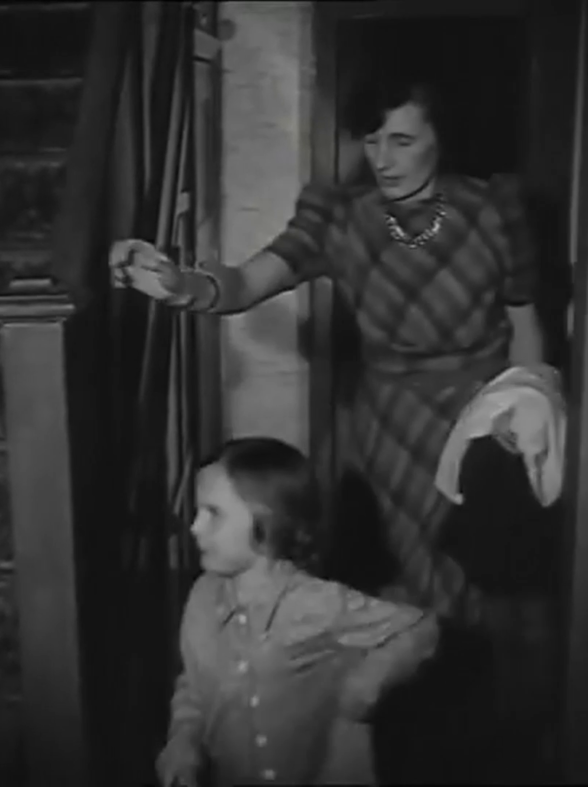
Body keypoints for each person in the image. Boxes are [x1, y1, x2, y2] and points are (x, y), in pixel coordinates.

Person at [109, 65, 547, 619]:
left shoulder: (495, 211)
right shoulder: (340, 218)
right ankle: (431, 677)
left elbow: (526, 323)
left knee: (487, 569)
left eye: (403, 140)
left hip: (484, 416)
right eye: (372, 139)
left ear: (441, 139)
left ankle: (486, 681)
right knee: (416, 567)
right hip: (391, 421)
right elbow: (244, 284)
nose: (382, 158)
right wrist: (182, 287)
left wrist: (532, 408)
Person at [156, 437, 439, 787]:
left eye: (213, 513)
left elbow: (423, 628)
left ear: (268, 519)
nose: (194, 527)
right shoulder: (201, 598)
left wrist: (370, 681)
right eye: (197, 512)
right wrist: (182, 741)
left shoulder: (317, 603)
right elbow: (194, 684)